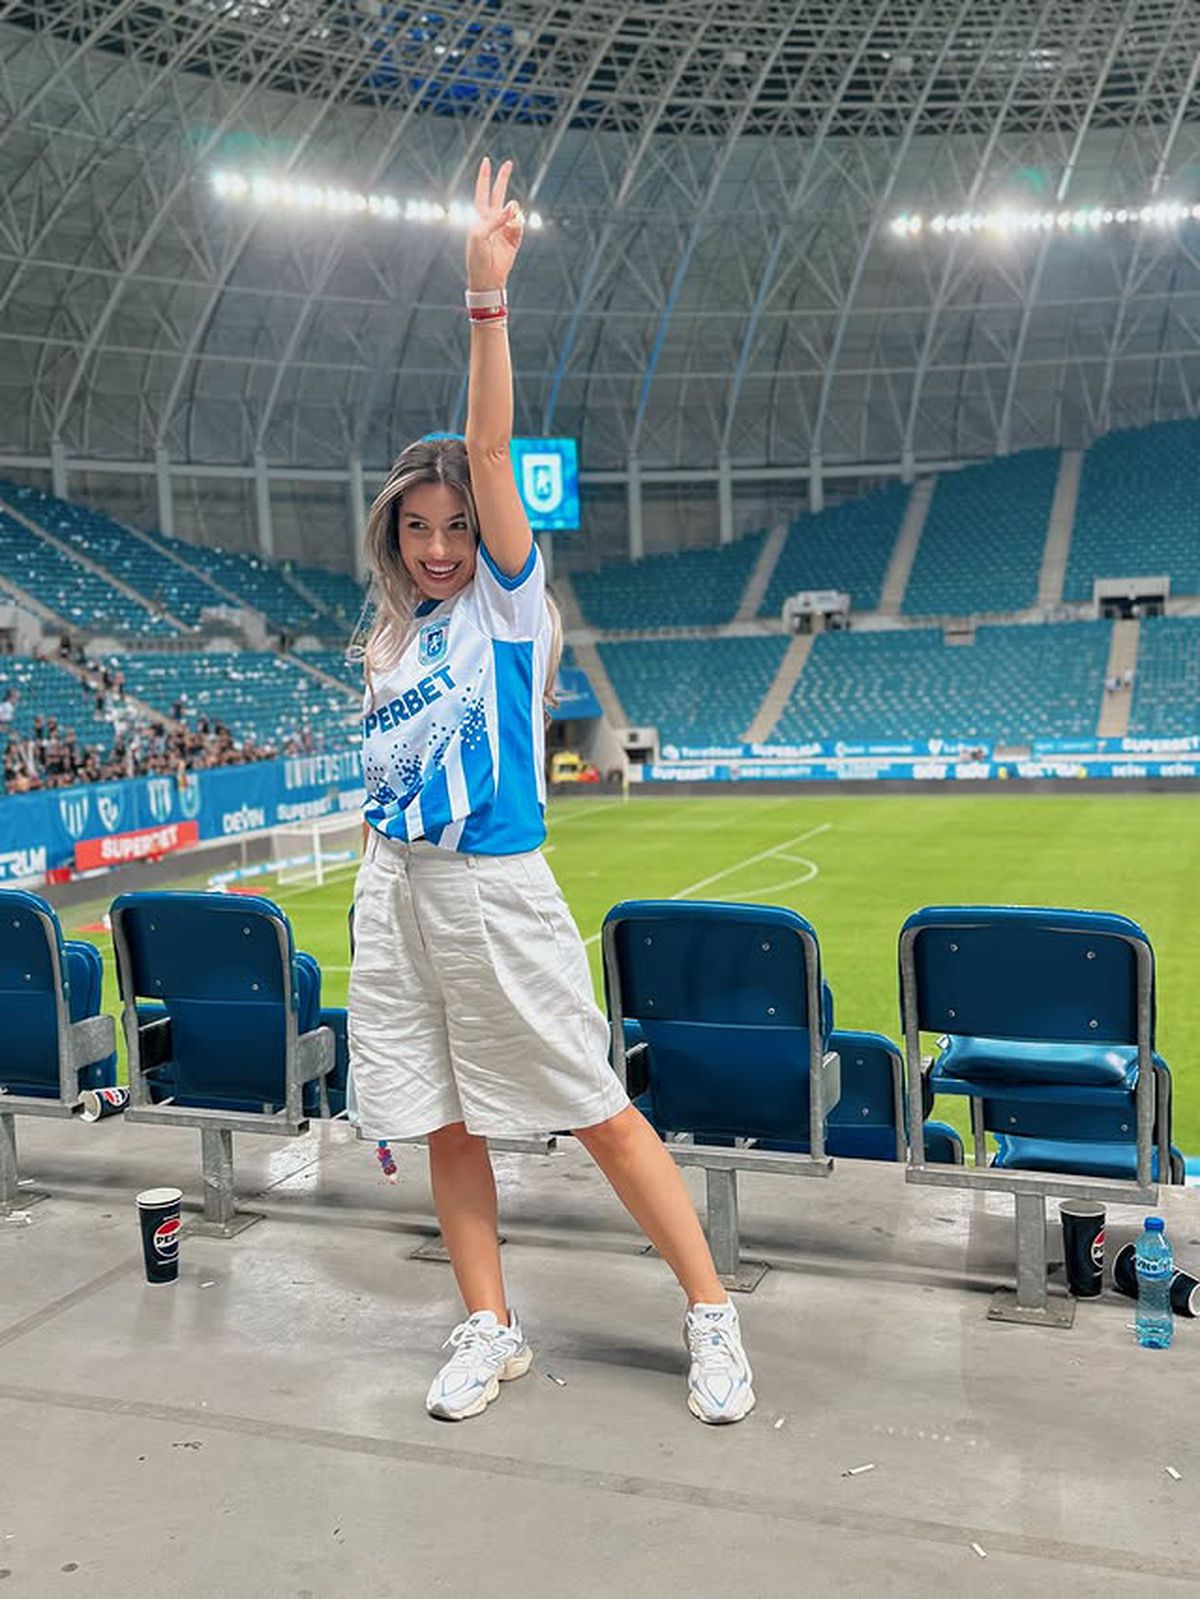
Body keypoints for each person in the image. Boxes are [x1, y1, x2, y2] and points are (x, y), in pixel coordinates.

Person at [347, 156, 754, 1426]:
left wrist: (486, 299)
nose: (438, 546)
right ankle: (490, 1327)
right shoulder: (391, 637)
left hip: (493, 889)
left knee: (593, 1107)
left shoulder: (510, 607)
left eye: (456, 526)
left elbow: (487, 444)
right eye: (417, 528)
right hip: (393, 889)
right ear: (393, 535)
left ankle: (712, 1313)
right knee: (441, 1120)